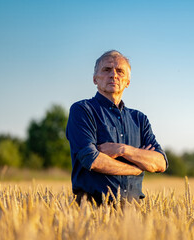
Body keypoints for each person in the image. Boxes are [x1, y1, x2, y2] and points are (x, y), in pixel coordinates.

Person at [66, 50, 168, 205]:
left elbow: (160, 163)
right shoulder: (82, 110)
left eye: (120, 71)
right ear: (95, 79)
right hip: (91, 209)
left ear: (127, 82)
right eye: (106, 70)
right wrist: (136, 167)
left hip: (132, 210)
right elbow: (92, 160)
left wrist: (123, 150)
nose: (113, 75)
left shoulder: (139, 119)